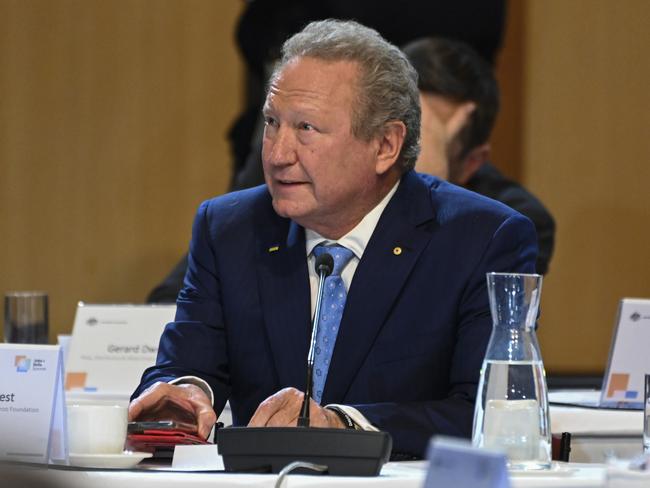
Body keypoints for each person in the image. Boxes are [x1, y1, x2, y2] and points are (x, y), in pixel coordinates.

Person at [130, 19, 537, 458]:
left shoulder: (482, 239)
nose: (277, 154)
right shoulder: (229, 228)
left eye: (306, 128)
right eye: (272, 122)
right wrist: (183, 394)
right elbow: (188, 362)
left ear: (385, 145)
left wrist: (344, 424)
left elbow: (490, 413)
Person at [403, 37, 555, 274]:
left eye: (427, 139)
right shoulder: (340, 185)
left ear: (472, 163)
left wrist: (424, 186)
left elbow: (438, 302)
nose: (393, 150)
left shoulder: (515, 223)